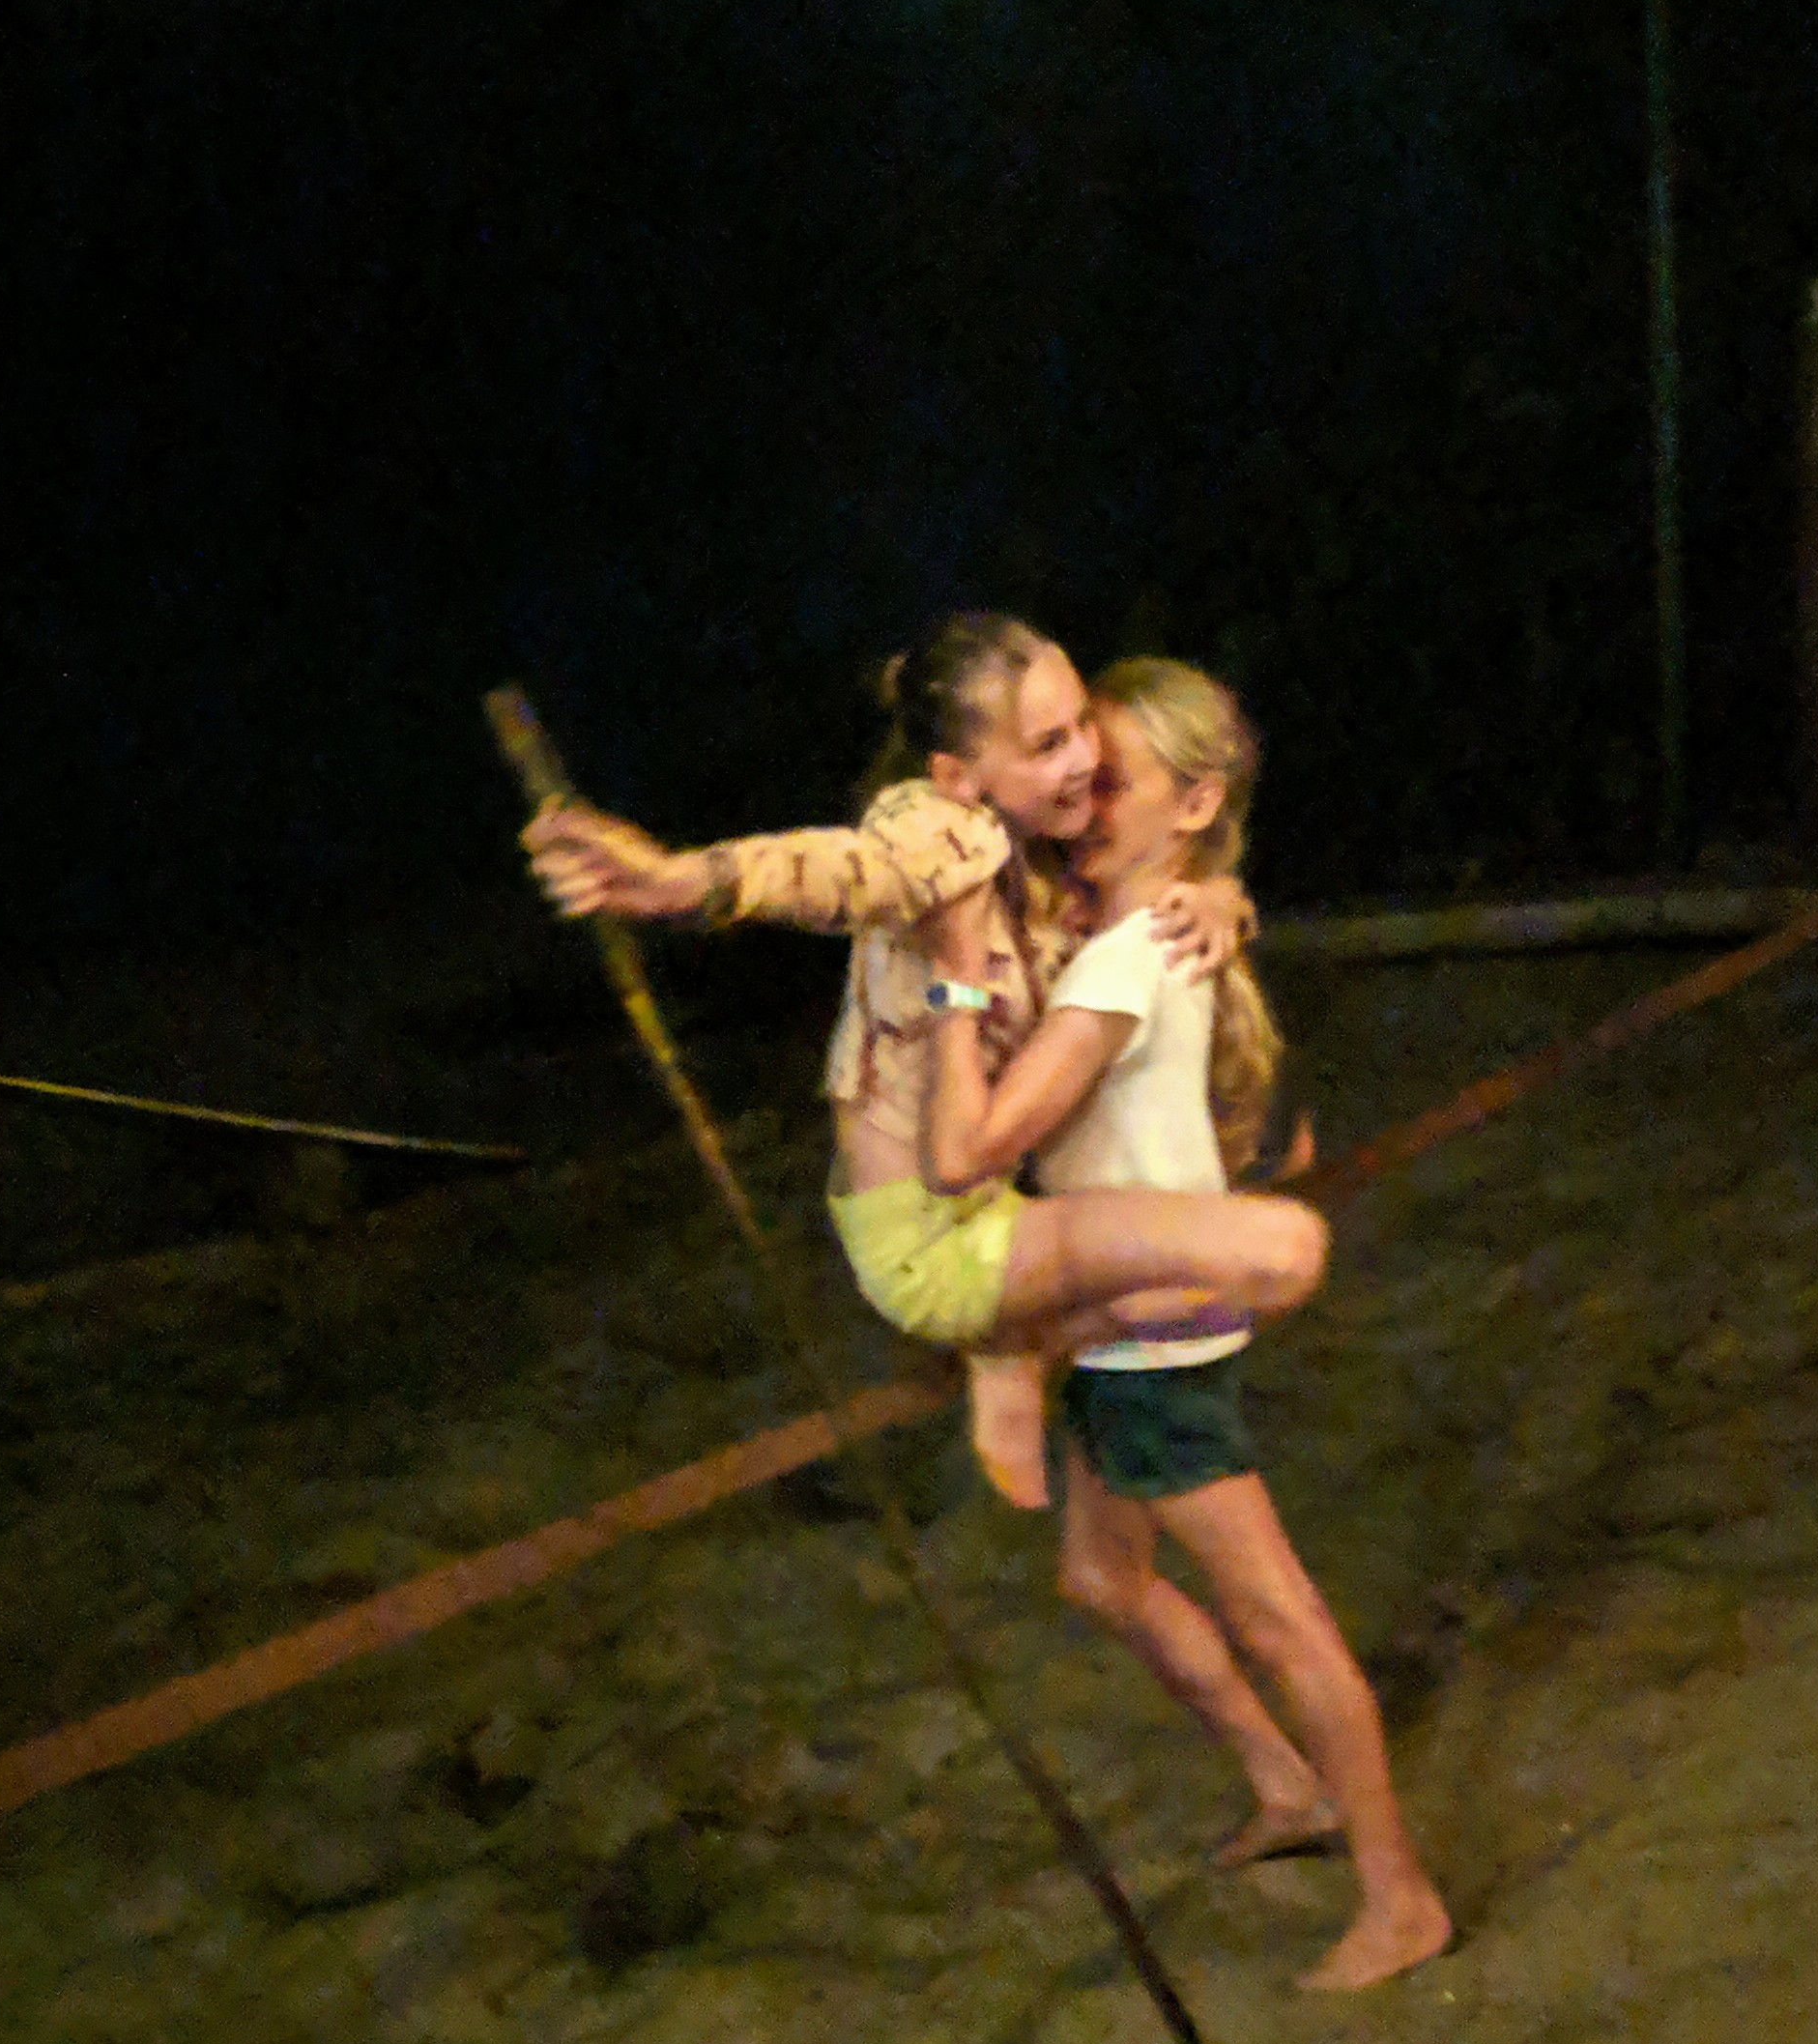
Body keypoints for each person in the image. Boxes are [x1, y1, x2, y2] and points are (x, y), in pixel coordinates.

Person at [916, 656, 1452, 1999]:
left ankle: (1400, 1900)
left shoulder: (1130, 953)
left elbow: (981, 1139)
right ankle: (1285, 1785)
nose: (1083, 798)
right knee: (1103, 1580)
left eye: (1114, 781)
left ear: (1196, 800)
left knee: (1279, 1618)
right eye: (1076, 772)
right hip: (1116, 1327)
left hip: (1152, 1342)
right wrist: (1220, 892)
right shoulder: (1155, 925)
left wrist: (950, 996)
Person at [521, 613, 1326, 1503]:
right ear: (957, 775)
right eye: (1049, 743)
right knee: (1275, 1250)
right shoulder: (941, 837)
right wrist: (685, 881)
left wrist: (1216, 894)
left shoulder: (1040, 842)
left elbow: (1142, 880)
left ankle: (1031, 1365)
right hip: (933, 1233)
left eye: (1081, 734)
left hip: (990, 1201)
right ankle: (1016, 1345)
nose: (1082, 762)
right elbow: (843, 870)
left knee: (1242, 1223)